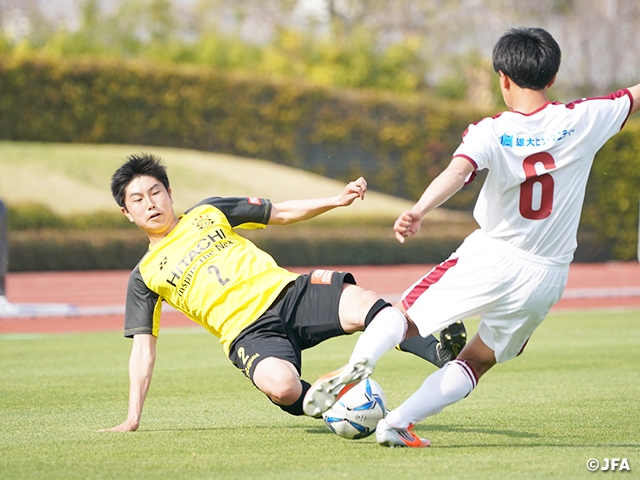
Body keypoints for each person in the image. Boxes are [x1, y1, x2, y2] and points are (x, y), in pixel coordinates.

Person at [303, 27, 640, 447]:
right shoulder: (587, 117)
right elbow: (634, 94)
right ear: (552, 78)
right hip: (547, 276)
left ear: (502, 78)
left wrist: (419, 210)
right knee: (476, 361)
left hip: (492, 256)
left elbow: (459, 171)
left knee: (404, 315)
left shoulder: (491, 130)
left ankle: (359, 365)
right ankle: (398, 423)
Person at [99, 153, 464, 432]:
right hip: (249, 334)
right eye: (137, 200)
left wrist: (336, 200)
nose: (150, 203)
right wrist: (133, 416)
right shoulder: (144, 276)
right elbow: (143, 350)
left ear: (169, 194)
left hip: (290, 294)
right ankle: (339, 411)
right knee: (282, 387)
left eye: (155, 192)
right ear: (126, 212)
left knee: (367, 304)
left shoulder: (209, 211)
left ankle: (442, 354)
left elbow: (281, 211)